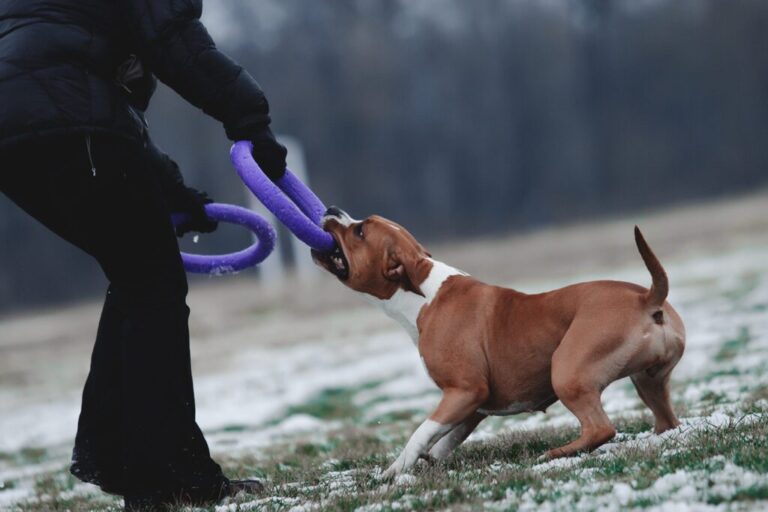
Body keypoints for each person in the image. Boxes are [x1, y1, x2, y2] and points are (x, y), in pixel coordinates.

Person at [0, 1, 287, 510]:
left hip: (12, 136)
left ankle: (128, 461)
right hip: (66, 124)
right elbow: (173, 40)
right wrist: (250, 119)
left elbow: (77, 91)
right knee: (152, 285)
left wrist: (172, 192)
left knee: (137, 276)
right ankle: (168, 475)